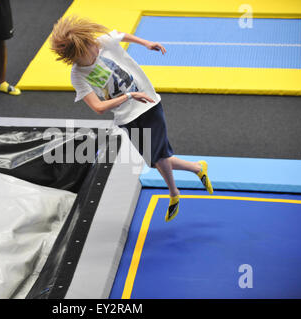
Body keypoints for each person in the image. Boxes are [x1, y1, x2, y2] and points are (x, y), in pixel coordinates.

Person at [50, 16, 214, 221]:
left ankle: (174, 193)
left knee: (159, 156)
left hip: (148, 103)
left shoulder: (103, 42)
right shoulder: (78, 75)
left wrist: (146, 43)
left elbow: (122, 34)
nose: (94, 46)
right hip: (125, 116)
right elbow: (98, 107)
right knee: (154, 161)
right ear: (76, 54)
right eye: (88, 47)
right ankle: (197, 168)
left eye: (92, 42)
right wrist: (128, 96)